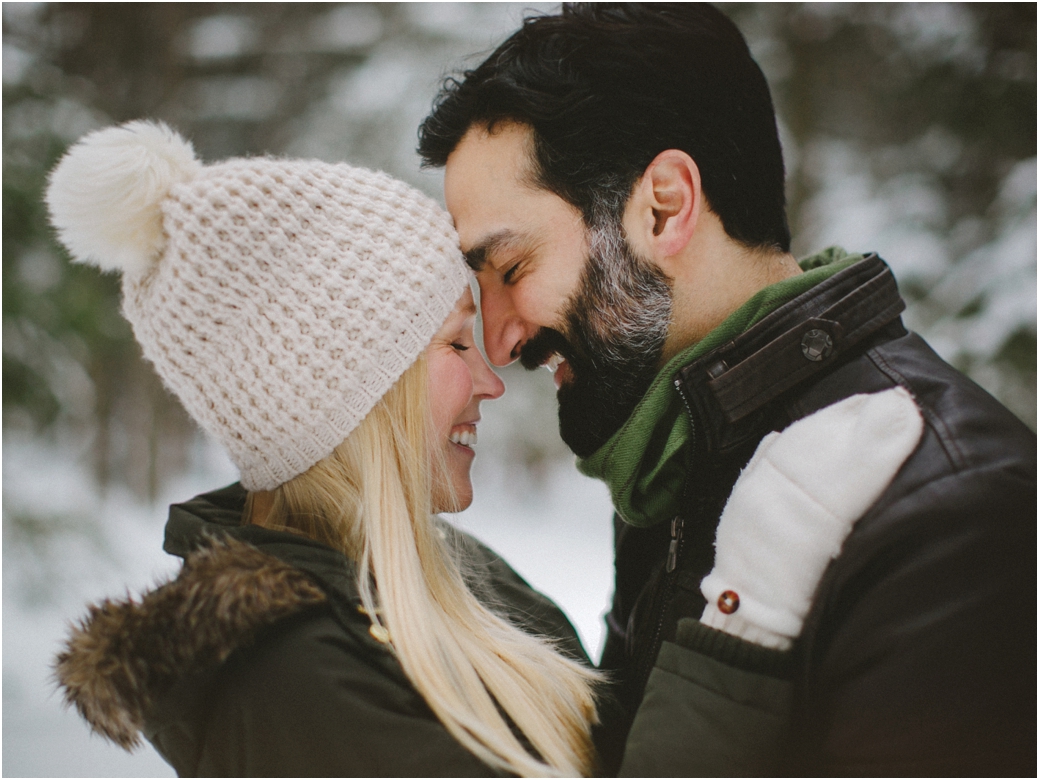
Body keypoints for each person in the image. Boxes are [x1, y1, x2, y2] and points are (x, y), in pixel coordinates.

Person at [418, 3, 1037, 776]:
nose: (500, 341)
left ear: (665, 205)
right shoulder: (681, 457)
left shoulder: (953, 513)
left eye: (511, 270)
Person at [46, 120, 602, 777]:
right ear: (350, 397)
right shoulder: (296, 680)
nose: (489, 381)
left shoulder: (459, 580)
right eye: (455, 343)